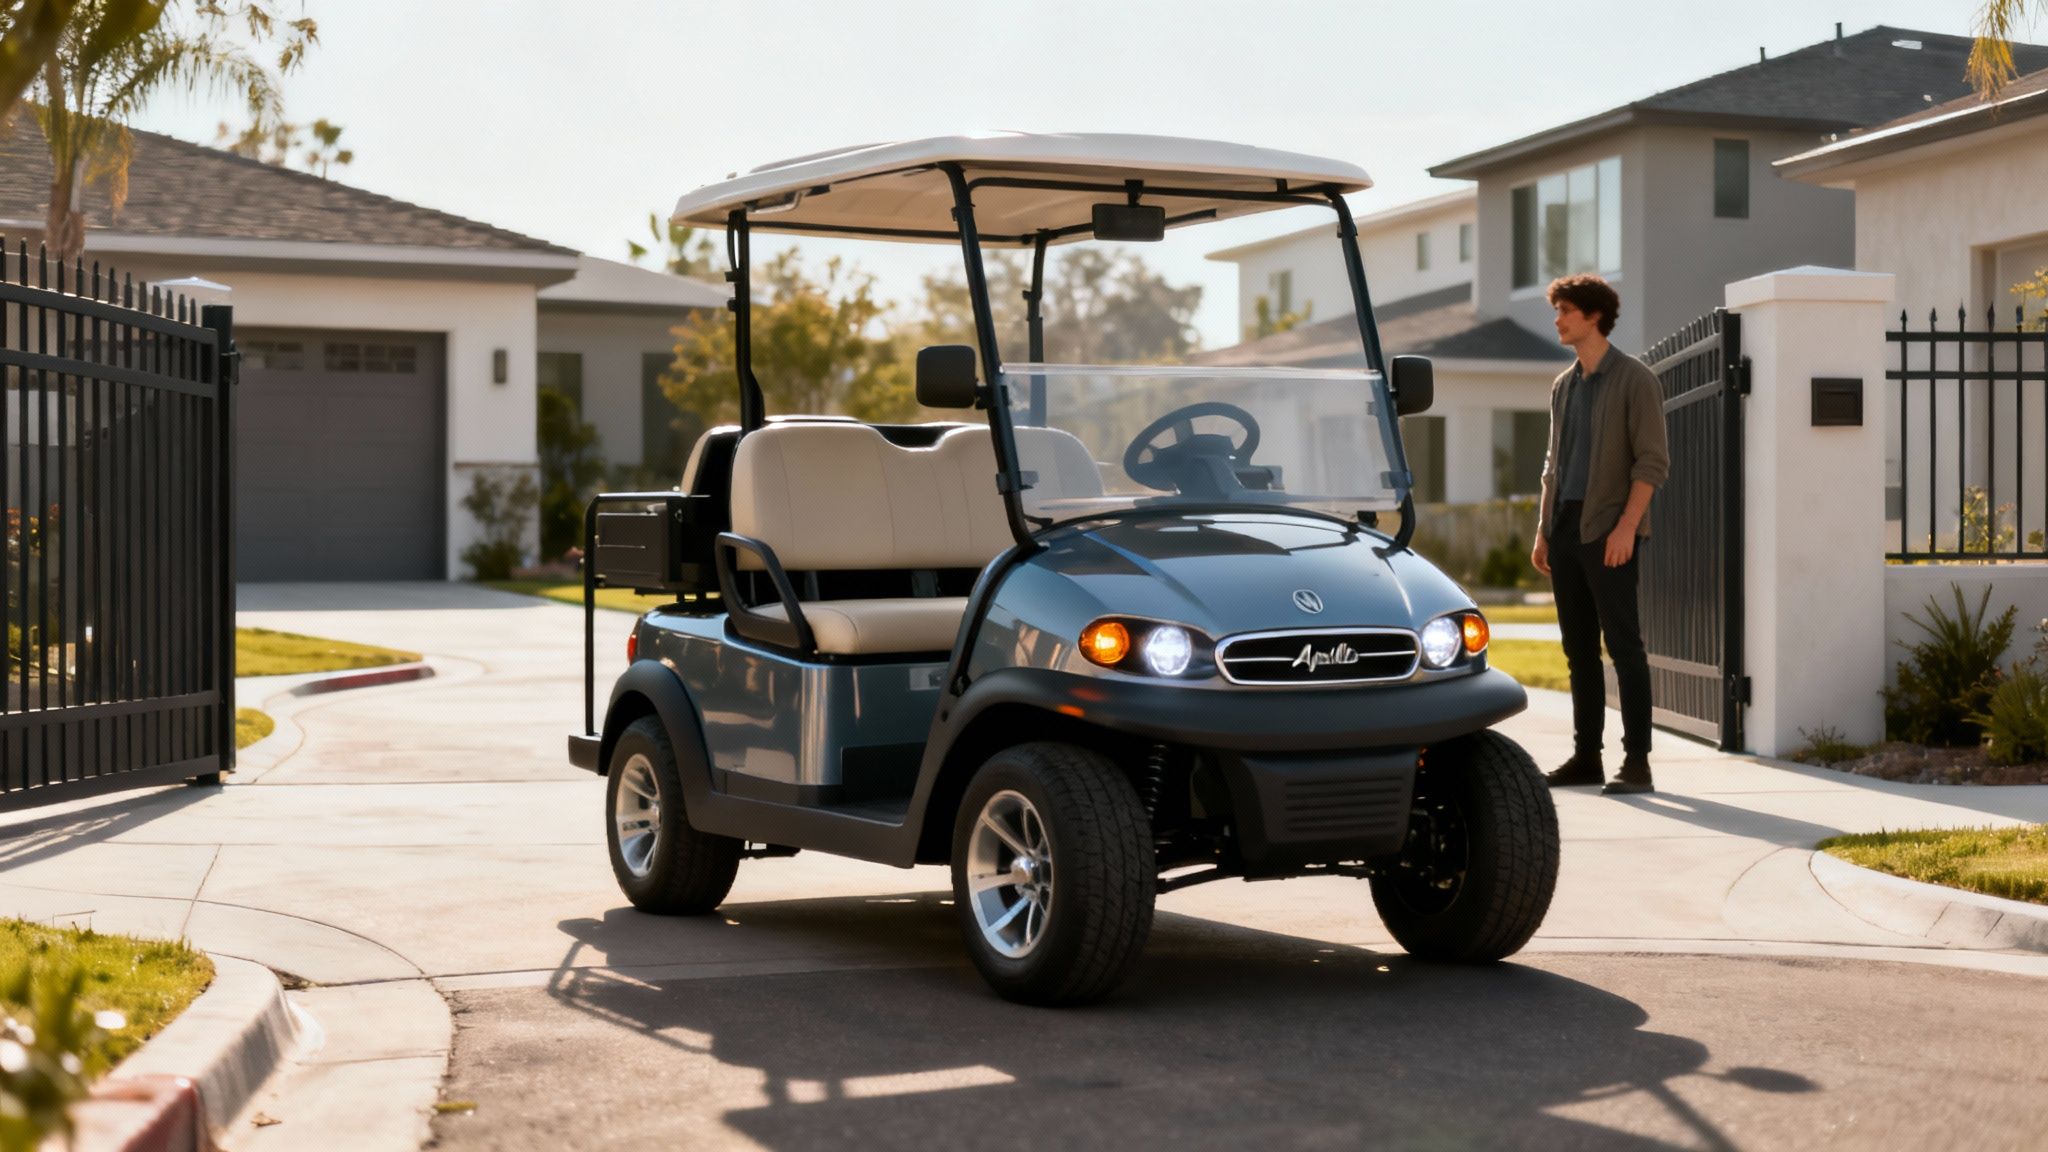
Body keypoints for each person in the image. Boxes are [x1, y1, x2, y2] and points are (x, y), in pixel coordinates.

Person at [1530, 274, 1668, 795]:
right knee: (1578, 651)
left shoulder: (1635, 380)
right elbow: (1553, 464)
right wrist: (1543, 531)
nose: (1558, 320)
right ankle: (1587, 756)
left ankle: (1637, 763)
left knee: (1624, 648)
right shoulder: (1563, 385)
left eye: (1565, 310)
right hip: (1565, 529)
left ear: (1592, 315)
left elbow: (1652, 462)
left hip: (1609, 530)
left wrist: (1626, 528)